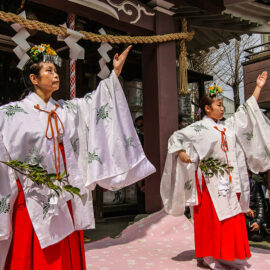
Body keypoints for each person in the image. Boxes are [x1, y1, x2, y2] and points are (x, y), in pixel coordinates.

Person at [0, 44, 155, 270]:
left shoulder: (67, 110)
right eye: (49, 71)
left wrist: (115, 74)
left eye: (55, 71)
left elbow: (96, 103)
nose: (55, 75)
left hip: (65, 194)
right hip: (33, 196)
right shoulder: (10, 114)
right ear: (34, 78)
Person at [161, 72, 270, 270]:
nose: (222, 108)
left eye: (222, 105)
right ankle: (208, 255)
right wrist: (181, 152)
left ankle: (228, 254)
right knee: (209, 219)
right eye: (218, 105)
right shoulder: (198, 128)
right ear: (207, 108)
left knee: (231, 217)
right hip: (208, 182)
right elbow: (176, 137)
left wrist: (258, 88)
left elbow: (245, 112)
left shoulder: (227, 127)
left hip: (229, 181)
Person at [245, 172, 267, 242]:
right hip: (240, 217)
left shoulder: (254, 183)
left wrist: (258, 222)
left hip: (251, 217)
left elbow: (260, 205)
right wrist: (244, 208)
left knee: (256, 237)